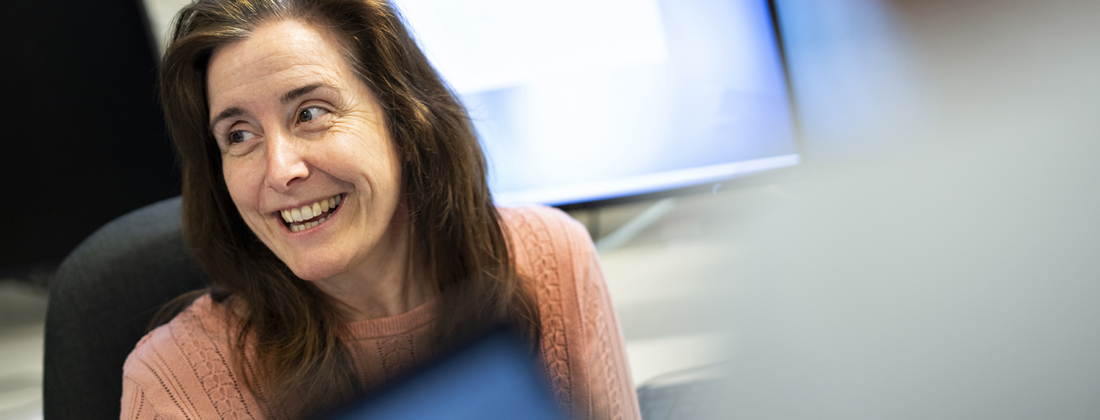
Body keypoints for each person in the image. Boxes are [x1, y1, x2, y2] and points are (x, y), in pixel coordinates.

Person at [120, 0, 641, 419]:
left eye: (311, 112)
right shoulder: (174, 385)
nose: (279, 170)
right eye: (239, 135)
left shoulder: (552, 259)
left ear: (404, 120)